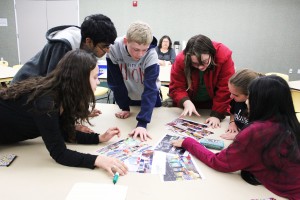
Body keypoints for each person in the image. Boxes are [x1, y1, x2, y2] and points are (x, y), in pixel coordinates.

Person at [0, 50, 128, 177]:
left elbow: (63, 131)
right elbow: (59, 153)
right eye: (95, 77)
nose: (98, 82)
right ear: (79, 80)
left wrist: (99, 138)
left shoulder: (61, 94)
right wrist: (98, 160)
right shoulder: (46, 102)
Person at [172, 75, 300, 199]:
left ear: (260, 101)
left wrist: (188, 142)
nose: (247, 101)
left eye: (250, 97)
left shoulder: (256, 131)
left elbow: (218, 162)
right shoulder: (290, 123)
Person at [12, 13, 117, 84]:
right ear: (89, 41)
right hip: (24, 89)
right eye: (104, 46)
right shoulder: (62, 46)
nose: (107, 50)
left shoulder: (86, 47)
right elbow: (53, 86)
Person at [106, 21, 161, 142]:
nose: (140, 54)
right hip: (128, 95)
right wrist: (124, 107)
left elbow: (150, 89)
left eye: (144, 50)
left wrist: (142, 123)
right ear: (126, 41)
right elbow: (116, 82)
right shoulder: (113, 49)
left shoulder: (151, 54)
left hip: (150, 98)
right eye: (136, 49)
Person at [169, 34, 235, 128]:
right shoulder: (181, 59)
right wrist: (186, 102)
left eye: (205, 61)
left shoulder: (223, 55)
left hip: (214, 105)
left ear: (211, 53)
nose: (200, 67)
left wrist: (217, 115)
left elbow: (225, 88)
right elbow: (176, 86)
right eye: (195, 63)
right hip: (190, 104)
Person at [220, 69, 263, 140]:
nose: (231, 97)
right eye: (230, 92)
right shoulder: (236, 100)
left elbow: (258, 135)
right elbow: (233, 112)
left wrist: (238, 137)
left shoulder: (258, 109)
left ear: (249, 95)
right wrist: (232, 122)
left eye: (235, 95)